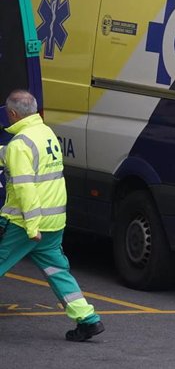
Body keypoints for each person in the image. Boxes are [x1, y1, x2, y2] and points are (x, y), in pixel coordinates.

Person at [0, 90, 105, 341]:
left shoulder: (20, 144)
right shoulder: (45, 133)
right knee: (58, 271)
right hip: (54, 221)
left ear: (13, 113)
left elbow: (26, 188)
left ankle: (88, 319)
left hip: (25, 224)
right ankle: (88, 319)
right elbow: (21, 160)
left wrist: (31, 227)